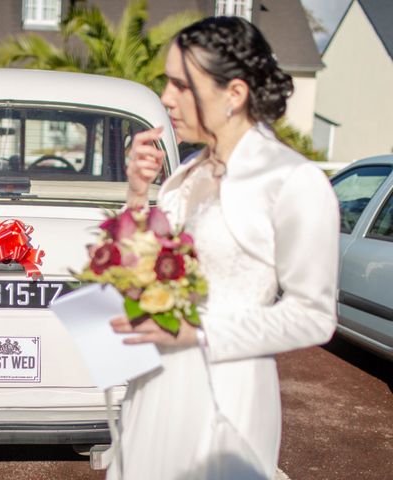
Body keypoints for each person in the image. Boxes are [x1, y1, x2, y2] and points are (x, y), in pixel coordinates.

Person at [107, 16, 339, 480]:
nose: (167, 99)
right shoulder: (186, 175)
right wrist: (137, 193)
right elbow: (139, 271)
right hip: (155, 385)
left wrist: (199, 333)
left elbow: (314, 315)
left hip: (226, 390)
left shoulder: (292, 181)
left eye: (181, 85)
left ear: (233, 94)